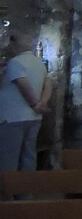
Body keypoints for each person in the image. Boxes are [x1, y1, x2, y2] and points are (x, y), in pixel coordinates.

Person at [0, 35, 52, 172]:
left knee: (9, 156)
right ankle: (25, 192)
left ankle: (8, 191)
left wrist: (35, 103)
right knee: (28, 156)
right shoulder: (38, 62)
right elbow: (48, 83)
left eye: (9, 45)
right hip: (34, 118)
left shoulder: (15, 63)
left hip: (13, 117)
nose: (8, 49)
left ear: (14, 46)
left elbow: (22, 83)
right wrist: (43, 103)